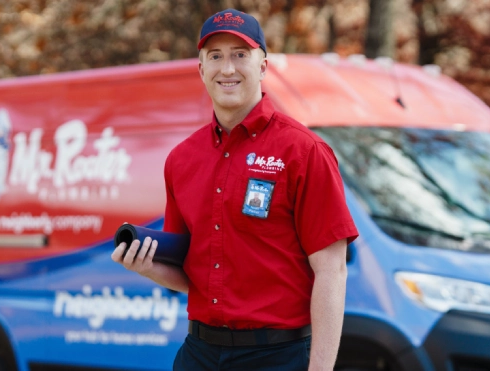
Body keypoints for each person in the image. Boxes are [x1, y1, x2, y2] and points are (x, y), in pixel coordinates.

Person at [112, 8, 358, 370]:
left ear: (262, 66)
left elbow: (332, 271)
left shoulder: (304, 152)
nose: (227, 68)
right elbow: (189, 276)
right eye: (215, 56)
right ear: (201, 69)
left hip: (278, 356)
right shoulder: (181, 160)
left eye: (240, 55)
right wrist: (145, 266)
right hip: (199, 353)